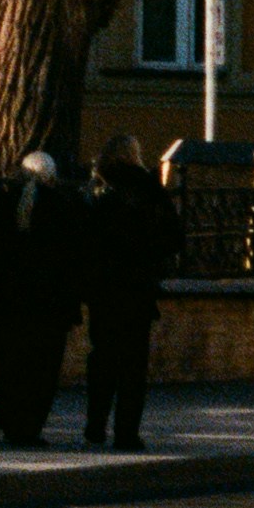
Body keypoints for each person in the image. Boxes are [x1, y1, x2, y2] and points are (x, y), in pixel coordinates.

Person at [0, 147, 86, 445]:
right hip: (48, 308)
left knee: (9, 365)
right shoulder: (62, 208)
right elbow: (74, 261)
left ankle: (10, 421)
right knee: (41, 369)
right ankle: (30, 427)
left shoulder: (3, 205)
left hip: (3, 306)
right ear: (52, 178)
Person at [83, 129, 169, 447]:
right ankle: (126, 431)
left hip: (103, 288)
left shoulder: (96, 187)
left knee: (103, 357)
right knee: (133, 365)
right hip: (137, 288)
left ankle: (95, 424)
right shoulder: (148, 186)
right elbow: (171, 236)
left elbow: (84, 238)